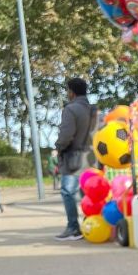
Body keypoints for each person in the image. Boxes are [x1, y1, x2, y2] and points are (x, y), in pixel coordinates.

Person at [54, 77, 97, 241]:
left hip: (73, 158)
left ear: (71, 92)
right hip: (92, 157)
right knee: (88, 192)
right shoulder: (93, 109)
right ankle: (90, 224)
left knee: (67, 191)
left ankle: (73, 227)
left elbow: (66, 135)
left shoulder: (71, 109)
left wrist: (58, 147)